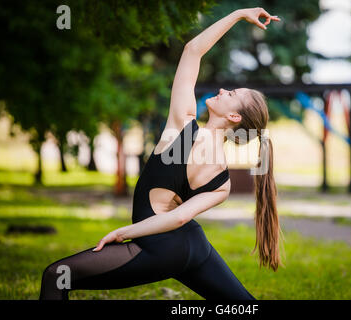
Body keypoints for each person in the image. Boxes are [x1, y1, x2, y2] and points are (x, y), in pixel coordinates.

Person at [39, 7, 282, 300]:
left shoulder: (182, 126)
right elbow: (180, 218)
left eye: (231, 95)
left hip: (159, 249)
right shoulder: (223, 181)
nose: (222, 90)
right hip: (194, 247)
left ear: (234, 118)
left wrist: (125, 232)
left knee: (56, 276)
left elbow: (193, 50)